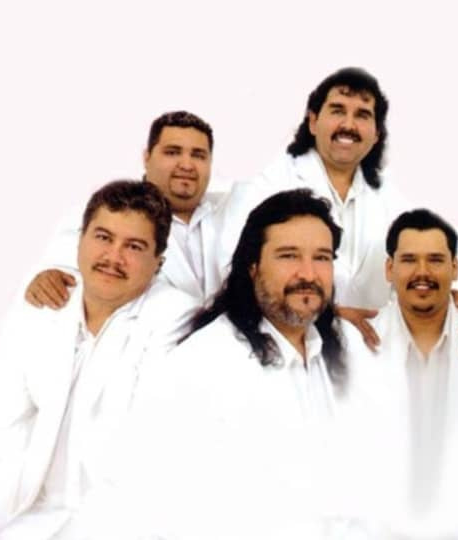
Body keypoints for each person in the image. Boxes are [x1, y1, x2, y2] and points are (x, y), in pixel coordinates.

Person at [120, 188, 392, 538]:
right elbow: (158, 505)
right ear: (253, 267)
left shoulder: (350, 345)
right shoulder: (201, 364)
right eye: (289, 256)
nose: (308, 274)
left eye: (322, 257)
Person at [0, 180, 199, 539]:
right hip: (30, 515)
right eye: (103, 237)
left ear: (158, 261)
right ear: (80, 240)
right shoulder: (45, 302)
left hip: (124, 523)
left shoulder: (178, 319)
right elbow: (2, 421)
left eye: (134, 246)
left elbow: (148, 450)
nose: (113, 257)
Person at [214, 67, 409, 347]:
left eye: (362, 115)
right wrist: (329, 314)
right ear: (313, 121)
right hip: (279, 342)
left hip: (371, 349)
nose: (349, 125)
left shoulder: (393, 199)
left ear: (376, 133)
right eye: (338, 110)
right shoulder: (264, 186)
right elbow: (233, 270)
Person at [369, 209, 458, 535]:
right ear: (390, 268)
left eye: (435, 260)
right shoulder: (358, 343)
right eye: (409, 260)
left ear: (455, 268)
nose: (422, 272)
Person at [25, 110, 223, 304]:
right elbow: (54, 276)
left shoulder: (229, 208)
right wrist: (47, 277)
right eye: (172, 152)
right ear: (147, 157)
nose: (187, 165)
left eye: (198, 155)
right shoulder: (101, 216)